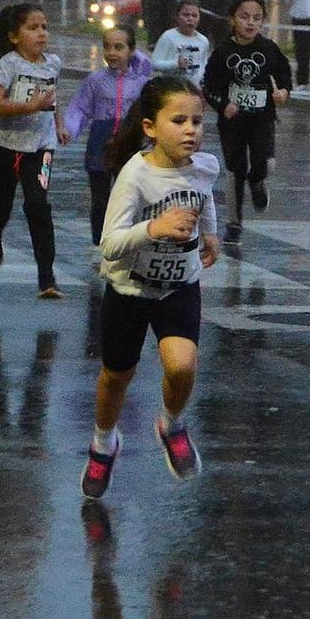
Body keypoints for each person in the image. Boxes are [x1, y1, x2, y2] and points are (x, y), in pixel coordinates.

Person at [81, 75, 221, 500]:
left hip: (179, 285)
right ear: (150, 127)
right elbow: (109, 245)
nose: (191, 130)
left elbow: (203, 194)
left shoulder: (206, 166)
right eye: (178, 120)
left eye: (197, 120)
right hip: (130, 290)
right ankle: (104, 442)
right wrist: (153, 228)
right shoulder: (135, 176)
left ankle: (171, 423)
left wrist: (211, 233)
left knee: (181, 365)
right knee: (115, 376)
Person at [0, 2, 65, 298]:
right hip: (5, 146)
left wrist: (59, 123)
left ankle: (47, 277)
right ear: (15, 36)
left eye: (44, 27)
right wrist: (29, 107)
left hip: (41, 149)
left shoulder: (53, 63)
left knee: (38, 204)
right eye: (33, 28)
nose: (41, 33)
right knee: (0, 204)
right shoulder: (8, 64)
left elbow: (53, 98)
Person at [201, 0, 290, 243]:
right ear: (233, 19)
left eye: (257, 18)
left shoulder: (268, 49)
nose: (250, 23)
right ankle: (234, 222)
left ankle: (258, 181)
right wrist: (223, 104)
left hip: (263, 118)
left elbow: (284, 75)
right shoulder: (223, 52)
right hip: (232, 123)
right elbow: (209, 86)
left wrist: (283, 91)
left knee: (266, 163)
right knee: (234, 169)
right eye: (244, 17)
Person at [64, 24, 155, 245]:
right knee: (100, 198)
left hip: (130, 143)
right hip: (100, 142)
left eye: (119, 47)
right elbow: (81, 108)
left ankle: (128, 239)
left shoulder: (141, 83)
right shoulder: (95, 81)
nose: (112, 53)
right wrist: (69, 129)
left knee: (130, 194)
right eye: (107, 47)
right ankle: (100, 243)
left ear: (131, 51)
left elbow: (151, 112)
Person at [151, 0, 212, 90]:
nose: (190, 19)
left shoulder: (203, 41)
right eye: (186, 15)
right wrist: (175, 63)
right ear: (177, 17)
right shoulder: (168, 37)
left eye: (194, 15)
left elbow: (203, 66)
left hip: (194, 91)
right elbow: (154, 64)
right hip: (172, 90)